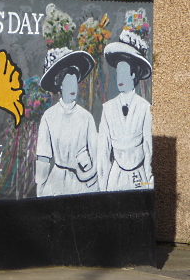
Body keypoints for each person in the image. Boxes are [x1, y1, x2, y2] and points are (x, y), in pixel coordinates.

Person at [35, 47, 98, 197]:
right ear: (60, 85)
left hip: (83, 182)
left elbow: (96, 155)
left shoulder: (86, 117)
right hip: (56, 182)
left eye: (75, 81)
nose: (73, 87)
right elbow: (43, 158)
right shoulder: (49, 117)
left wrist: (91, 177)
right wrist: (40, 188)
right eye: (68, 81)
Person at [97, 29, 153, 191]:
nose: (119, 77)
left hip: (139, 179)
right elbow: (103, 154)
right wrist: (104, 191)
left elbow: (149, 152)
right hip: (115, 179)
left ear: (133, 74)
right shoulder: (108, 109)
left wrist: (148, 184)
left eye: (124, 72)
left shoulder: (145, 108)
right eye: (118, 72)